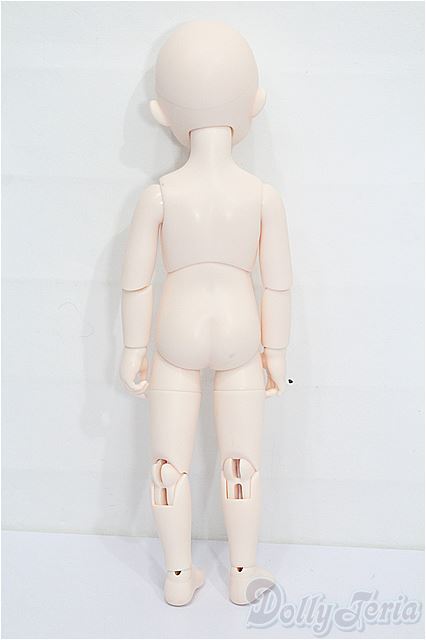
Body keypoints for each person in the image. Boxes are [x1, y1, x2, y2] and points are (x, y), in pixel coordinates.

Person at [120, 21, 292, 606]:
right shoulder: (262, 196)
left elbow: (136, 281)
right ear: (254, 103)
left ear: (161, 113)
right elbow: (278, 284)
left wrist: (133, 348)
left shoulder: (160, 195)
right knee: (242, 463)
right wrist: (276, 352)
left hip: (176, 331)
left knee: (168, 465)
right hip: (242, 329)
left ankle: (177, 577)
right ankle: (242, 573)